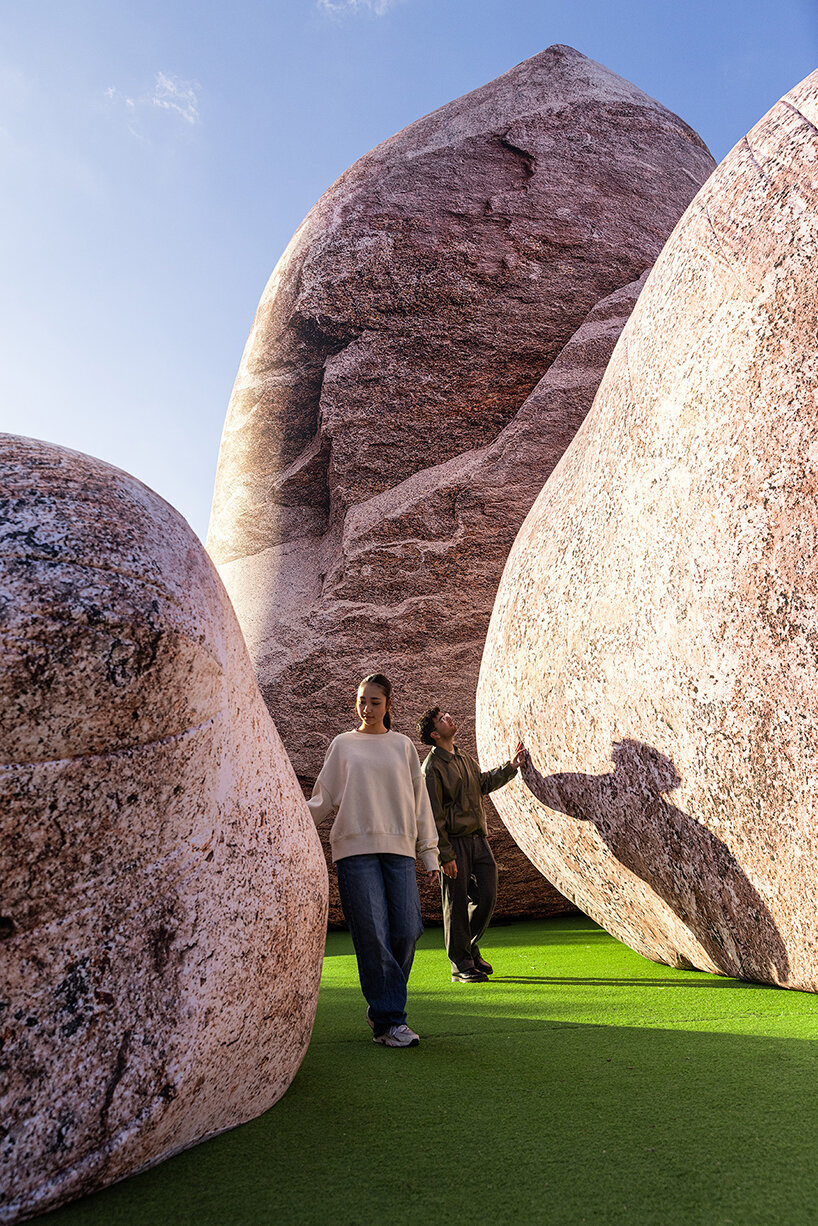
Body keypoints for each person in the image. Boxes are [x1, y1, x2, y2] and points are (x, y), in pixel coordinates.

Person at [308, 673, 439, 1047]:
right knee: (374, 935)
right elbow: (323, 798)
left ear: (389, 706)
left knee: (407, 931)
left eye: (375, 702)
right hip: (354, 853)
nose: (367, 708)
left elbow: (419, 802)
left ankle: (383, 1005)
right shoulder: (342, 745)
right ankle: (389, 1022)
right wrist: (287, 822)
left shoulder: (403, 747)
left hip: (398, 851)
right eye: (362, 700)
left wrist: (429, 853)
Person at [417, 706, 526, 983]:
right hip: (453, 843)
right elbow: (433, 814)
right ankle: (460, 965)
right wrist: (445, 855)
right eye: (442, 719)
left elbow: (482, 783)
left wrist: (511, 766)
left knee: (487, 895)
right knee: (454, 904)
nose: (448, 718)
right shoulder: (431, 769)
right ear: (434, 734)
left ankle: (469, 947)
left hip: (479, 839)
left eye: (446, 715)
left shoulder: (463, 757)